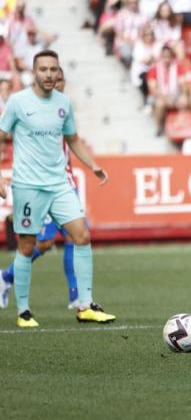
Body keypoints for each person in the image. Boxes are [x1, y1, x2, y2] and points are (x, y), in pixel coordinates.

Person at [0, 50, 115, 328]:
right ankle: (24, 311)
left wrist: (93, 165)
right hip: (28, 186)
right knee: (28, 246)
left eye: (54, 69)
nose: (49, 74)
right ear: (34, 72)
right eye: (44, 69)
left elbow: (73, 139)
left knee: (82, 236)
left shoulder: (64, 103)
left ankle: (85, 305)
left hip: (59, 185)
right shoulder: (17, 102)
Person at [0, 67, 80, 310]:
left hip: (66, 184)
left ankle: (76, 297)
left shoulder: (64, 109)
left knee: (75, 237)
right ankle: (6, 277)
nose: (57, 84)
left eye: (61, 80)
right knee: (42, 244)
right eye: (53, 80)